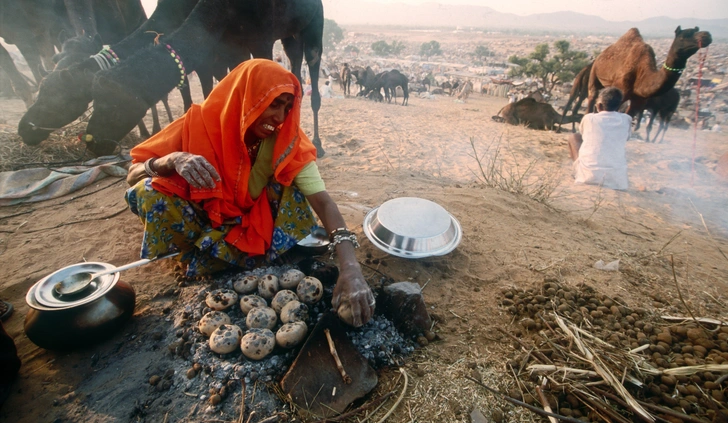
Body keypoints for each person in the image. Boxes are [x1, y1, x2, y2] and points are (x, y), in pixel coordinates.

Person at [125, 59, 374, 326]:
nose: (279, 117)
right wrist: (171, 160)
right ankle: (201, 257)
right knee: (149, 191)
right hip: (203, 223)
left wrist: (351, 268)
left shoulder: (286, 140)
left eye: (287, 108)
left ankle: (246, 257)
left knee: (292, 179)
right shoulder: (199, 123)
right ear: (247, 96)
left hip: (256, 228)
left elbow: (323, 202)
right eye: (273, 104)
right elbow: (133, 175)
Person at [568, 87, 631, 190]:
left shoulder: (589, 118)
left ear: (599, 105)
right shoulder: (626, 119)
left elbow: (583, 135)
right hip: (617, 182)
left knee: (574, 137)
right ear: (619, 105)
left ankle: (577, 171)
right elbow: (626, 137)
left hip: (588, 177)